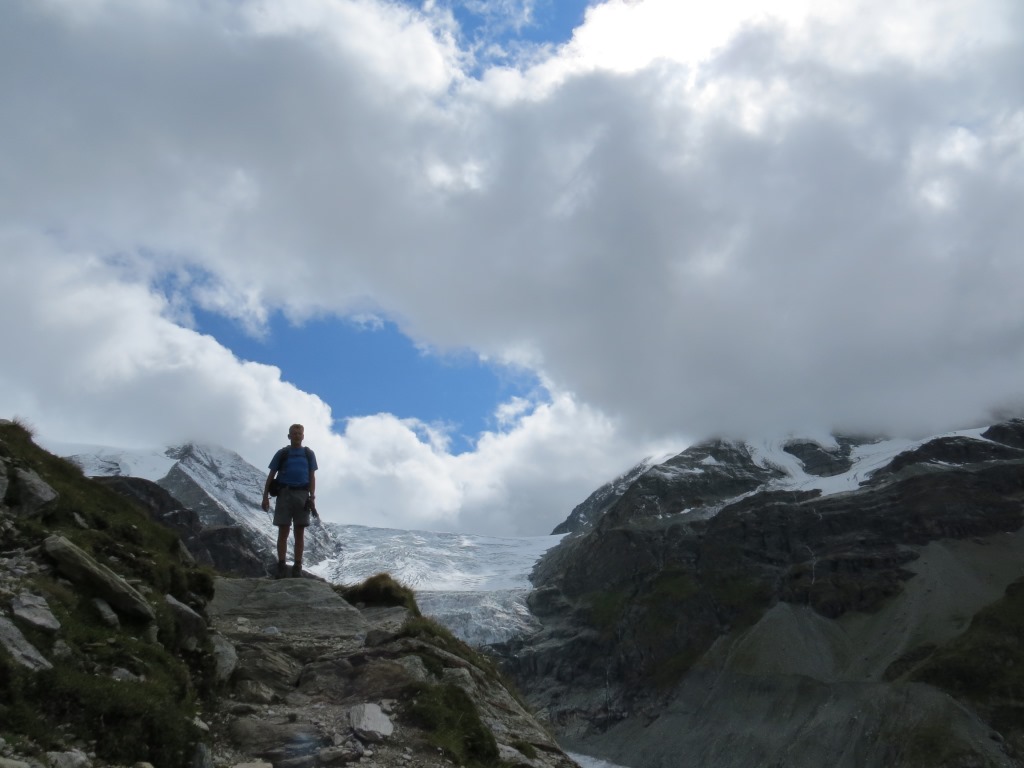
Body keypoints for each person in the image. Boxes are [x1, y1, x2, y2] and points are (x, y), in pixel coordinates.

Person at [262, 424, 318, 578]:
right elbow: (271, 475)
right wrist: (265, 496)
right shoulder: (282, 453)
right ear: (289, 436)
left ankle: (297, 566)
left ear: (303, 436)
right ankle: (281, 565)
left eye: (299, 433)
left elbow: (312, 476)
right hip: (284, 493)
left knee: (299, 531)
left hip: (302, 494)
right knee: (284, 531)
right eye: (294, 433)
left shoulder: (308, 454)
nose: (297, 435)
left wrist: (312, 497)